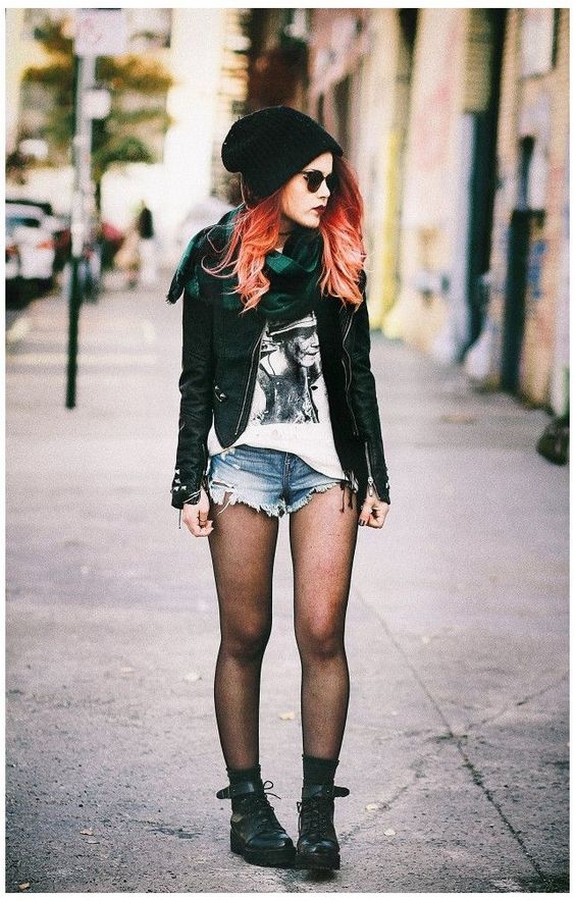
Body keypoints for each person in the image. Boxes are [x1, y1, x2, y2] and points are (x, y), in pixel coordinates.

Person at [166, 106, 390, 872]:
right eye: (311, 178)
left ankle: (317, 810)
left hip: (325, 466)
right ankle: (248, 805)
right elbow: (196, 378)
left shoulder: (338, 259)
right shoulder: (215, 261)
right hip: (242, 466)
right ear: (271, 180)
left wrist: (375, 475)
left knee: (321, 634)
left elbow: (358, 375)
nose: (326, 191)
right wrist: (187, 479)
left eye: (331, 179)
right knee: (244, 636)